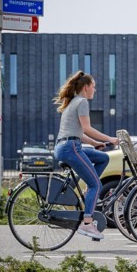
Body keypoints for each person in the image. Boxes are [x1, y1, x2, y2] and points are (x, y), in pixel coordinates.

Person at [53, 71, 119, 240]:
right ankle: (87, 223)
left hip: (66, 145)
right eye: (94, 87)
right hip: (70, 147)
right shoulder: (81, 102)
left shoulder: (72, 102)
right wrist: (109, 138)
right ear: (86, 87)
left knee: (103, 157)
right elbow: (87, 128)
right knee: (96, 184)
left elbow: (79, 132)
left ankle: (89, 189)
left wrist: (95, 143)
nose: (95, 90)